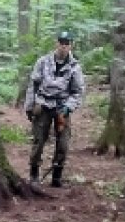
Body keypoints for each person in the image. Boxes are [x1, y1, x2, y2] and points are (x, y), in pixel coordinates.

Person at [24, 31, 85, 187]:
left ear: (71, 45)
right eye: (61, 43)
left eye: (67, 43)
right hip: (43, 104)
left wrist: (68, 107)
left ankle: (56, 176)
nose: (63, 46)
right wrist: (30, 106)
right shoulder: (43, 62)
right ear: (56, 43)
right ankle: (34, 175)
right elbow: (33, 85)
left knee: (63, 143)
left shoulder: (75, 67)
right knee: (38, 141)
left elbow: (78, 91)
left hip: (62, 107)